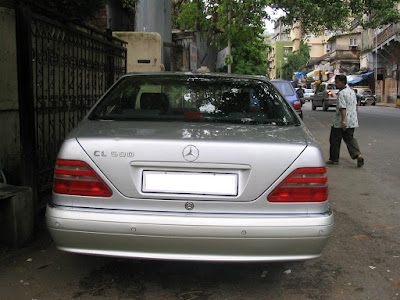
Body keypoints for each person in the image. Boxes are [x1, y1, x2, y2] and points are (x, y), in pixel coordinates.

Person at [327, 75, 364, 167]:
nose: (336, 84)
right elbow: (355, 106)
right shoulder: (351, 92)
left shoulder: (342, 93)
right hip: (352, 120)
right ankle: (358, 155)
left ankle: (334, 159)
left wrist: (343, 121)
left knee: (334, 140)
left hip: (340, 121)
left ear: (342, 82)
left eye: (337, 82)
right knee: (350, 139)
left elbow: (342, 108)